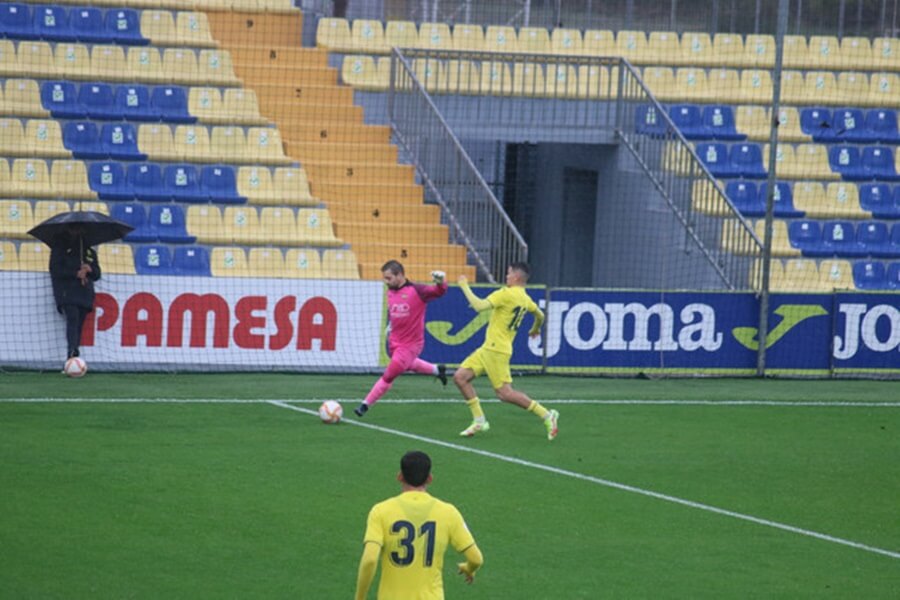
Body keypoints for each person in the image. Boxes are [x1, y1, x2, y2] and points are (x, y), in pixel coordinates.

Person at [355, 451, 483, 600]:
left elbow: (370, 560)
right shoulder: (448, 512)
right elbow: (476, 559)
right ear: (430, 478)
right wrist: (468, 568)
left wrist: (360, 598)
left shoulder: (381, 511)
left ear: (399, 476)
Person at [454, 262, 558, 440]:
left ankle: (547, 415)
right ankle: (479, 420)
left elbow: (478, 306)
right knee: (460, 377)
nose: (506, 276)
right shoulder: (525, 298)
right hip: (489, 348)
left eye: (509, 273)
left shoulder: (506, 293)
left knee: (505, 394)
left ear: (516, 277)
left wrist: (464, 285)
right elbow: (540, 315)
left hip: (496, 350)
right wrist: (535, 329)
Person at [354, 260, 448, 418]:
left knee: (389, 374)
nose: (386, 281)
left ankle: (365, 405)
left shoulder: (418, 290)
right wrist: (391, 326)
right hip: (394, 342)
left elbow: (439, 292)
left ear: (400, 275)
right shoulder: (390, 292)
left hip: (411, 345)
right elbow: (395, 313)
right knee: (409, 365)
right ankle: (437, 370)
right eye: (385, 278)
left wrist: (441, 283)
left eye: (389, 278)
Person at [49, 227, 101, 363]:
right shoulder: (60, 248)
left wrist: (90, 269)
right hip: (67, 291)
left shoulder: (89, 252)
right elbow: (55, 269)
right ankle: (72, 351)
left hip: (84, 293)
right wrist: (75, 273)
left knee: (79, 323)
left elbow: (97, 274)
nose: (78, 232)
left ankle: (74, 352)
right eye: (75, 230)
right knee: (72, 317)